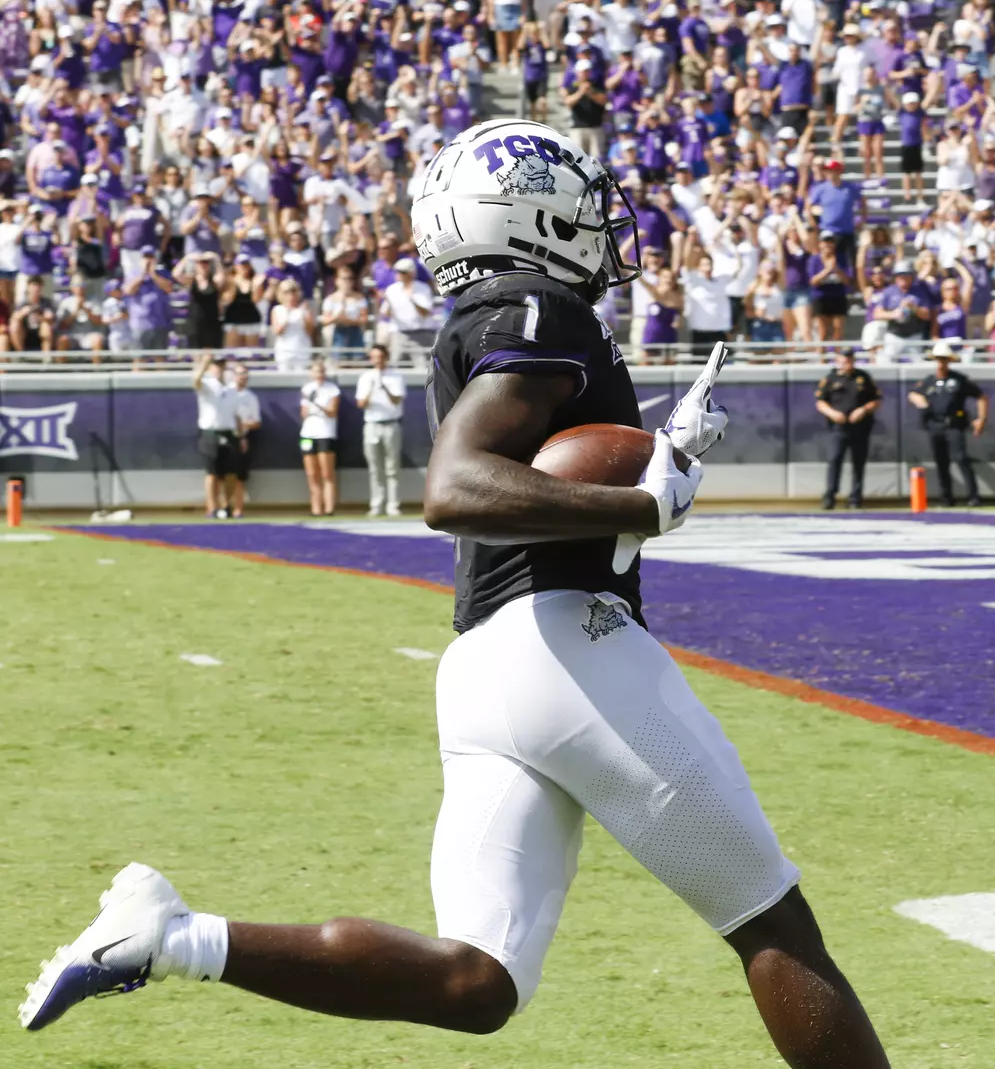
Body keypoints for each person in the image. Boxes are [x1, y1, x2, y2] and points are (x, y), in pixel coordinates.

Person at [19, 120, 890, 1069]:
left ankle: (174, 937)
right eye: (580, 208)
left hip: (486, 666)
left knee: (477, 983)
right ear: (528, 215)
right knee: (776, 926)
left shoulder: (495, 318)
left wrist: (655, 459)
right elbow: (456, 487)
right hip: (571, 646)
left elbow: (521, 466)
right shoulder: (539, 309)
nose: (600, 227)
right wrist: (639, 498)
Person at [908, 340, 987, 507]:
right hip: (935, 425)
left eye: (944, 359)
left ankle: (973, 496)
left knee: (961, 458)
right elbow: (913, 393)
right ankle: (946, 497)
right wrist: (918, 399)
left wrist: (981, 418)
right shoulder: (929, 381)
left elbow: (981, 396)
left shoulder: (959, 380)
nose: (940, 363)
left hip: (954, 425)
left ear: (949, 360)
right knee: (941, 462)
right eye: (938, 359)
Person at [814, 347, 882, 510]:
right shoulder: (830, 379)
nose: (847, 362)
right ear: (838, 360)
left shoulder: (863, 377)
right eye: (844, 359)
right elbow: (820, 402)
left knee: (859, 462)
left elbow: (877, 400)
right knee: (835, 459)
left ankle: (855, 497)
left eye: (850, 359)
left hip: (860, 427)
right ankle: (830, 495)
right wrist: (832, 413)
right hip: (838, 427)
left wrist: (863, 410)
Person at [356, 344, 406, 518]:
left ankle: (393, 505)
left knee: (392, 468)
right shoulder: (365, 377)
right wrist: (371, 388)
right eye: (374, 356)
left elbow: (397, 400)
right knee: (375, 468)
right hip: (371, 425)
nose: (377, 360)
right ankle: (376, 505)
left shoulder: (396, 376)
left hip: (391, 424)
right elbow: (361, 404)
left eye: (380, 356)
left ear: (386, 357)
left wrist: (384, 388)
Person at [191, 352, 240, 520]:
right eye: (216, 365)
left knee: (231, 472)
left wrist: (240, 434)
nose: (219, 368)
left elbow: (235, 413)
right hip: (211, 431)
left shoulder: (231, 388)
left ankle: (226, 505)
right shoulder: (207, 384)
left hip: (229, 431)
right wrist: (203, 364)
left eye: (221, 365)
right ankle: (212, 508)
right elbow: (195, 381)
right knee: (211, 472)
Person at [299, 360, 341, 518]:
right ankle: (316, 509)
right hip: (307, 434)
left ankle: (329, 508)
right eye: (316, 371)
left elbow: (332, 412)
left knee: (327, 473)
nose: (319, 375)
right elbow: (303, 413)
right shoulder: (307, 388)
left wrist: (315, 403)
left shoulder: (332, 389)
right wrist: (309, 405)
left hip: (325, 433)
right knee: (311, 473)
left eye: (322, 371)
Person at [230, 363, 260, 520]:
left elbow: (256, 422)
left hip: (241, 438)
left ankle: (238, 509)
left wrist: (242, 428)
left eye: (246, 375)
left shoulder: (251, 397)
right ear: (233, 375)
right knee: (221, 474)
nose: (243, 378)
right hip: (224, 436)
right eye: (241, 374)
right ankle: (220, 508)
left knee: (239, 476)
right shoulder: (224, 392)